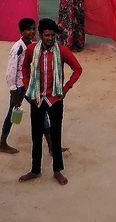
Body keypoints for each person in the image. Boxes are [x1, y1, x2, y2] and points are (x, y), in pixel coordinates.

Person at [19, 18, 82, 185]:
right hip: (37, 98)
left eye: (52, 35)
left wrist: (66, 88)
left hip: (55, 98)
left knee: (56, 135)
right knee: (36, 135)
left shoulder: (62, 51)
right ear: (41, 35)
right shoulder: (32, 49)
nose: (50, 38)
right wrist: (27, 88)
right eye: (47, 35)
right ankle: (35, 170)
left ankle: (57, 170)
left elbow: (78, 69)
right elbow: (24, 67)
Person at [0, 17, 38, 154]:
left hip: (28, 84)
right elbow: (11, 70)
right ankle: (2, 143)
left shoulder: (32, 46)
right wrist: (13, 91)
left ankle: (52, 145)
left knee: (40, 110)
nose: (32, 32)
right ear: (21, 31)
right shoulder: (18, 48)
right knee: (12, 113)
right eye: (28, 29)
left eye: (33, 29)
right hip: (19, 87)